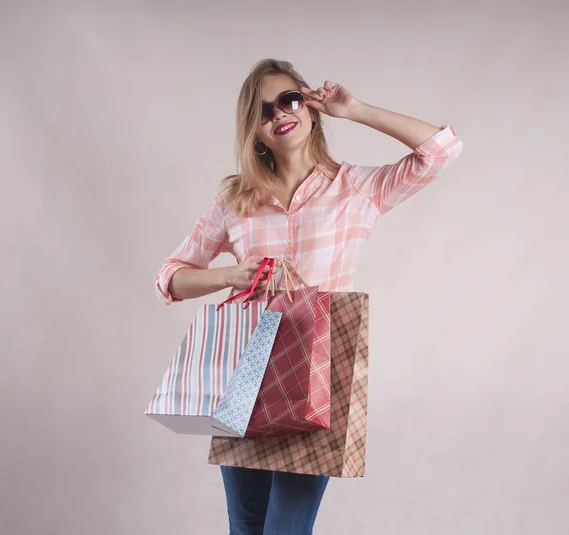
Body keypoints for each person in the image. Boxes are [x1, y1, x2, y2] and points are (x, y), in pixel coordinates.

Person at [154, 59, 463, 535]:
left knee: (286, 528)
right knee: (247, 525)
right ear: (254, 131)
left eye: (289, 99)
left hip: (321, 364)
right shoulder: (235, 199)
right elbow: (170, 278)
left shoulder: (356, 188)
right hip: (246, 365)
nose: (279, 113)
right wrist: (230, 276)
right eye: (263, 110)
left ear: (311, 109)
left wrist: (354, 108)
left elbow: (441, 150)